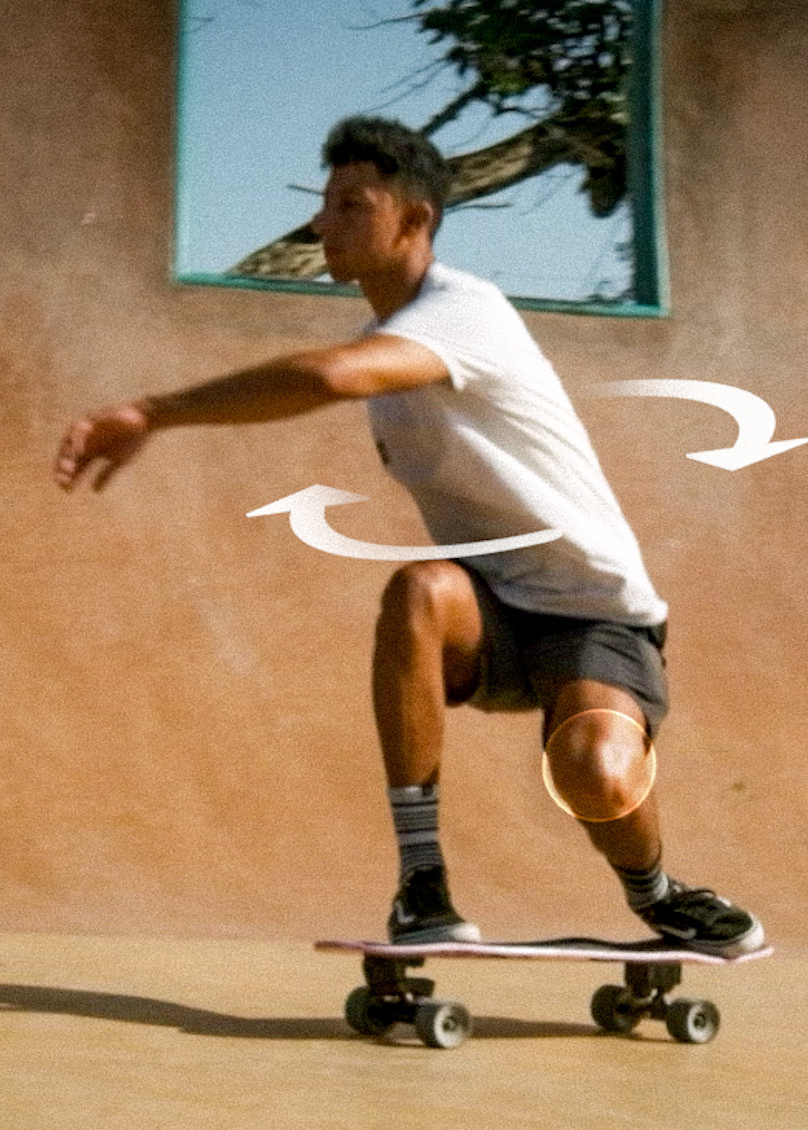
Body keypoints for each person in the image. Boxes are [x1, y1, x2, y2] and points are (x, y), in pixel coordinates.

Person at [54, 116, 764, 957]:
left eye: (353, 205)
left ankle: (661, 896)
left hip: (595, 614)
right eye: (324, 207)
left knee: (595, 774)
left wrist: (152, 411)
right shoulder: (387, 352)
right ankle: (422, 884)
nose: (326, 225)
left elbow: (326, 377)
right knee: (419, 589)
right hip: (493, 614)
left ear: (416, 219)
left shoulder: (466, 311)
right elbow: (344, 372)